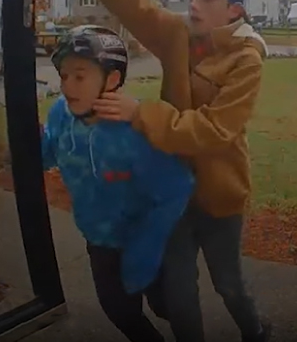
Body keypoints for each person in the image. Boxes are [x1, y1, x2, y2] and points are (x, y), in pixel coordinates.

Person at [16, 0, 271, 342]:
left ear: (234, 10)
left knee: (228, 285)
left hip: (219, 194)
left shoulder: (246, 60)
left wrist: (142, 113)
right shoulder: (176, 34)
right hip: (170, 193)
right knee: (179, 292)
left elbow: (214, 130)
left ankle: (257, 331)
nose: (193, 5)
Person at [41, 25, 195, 342]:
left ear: (112, 80)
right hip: (100, 242)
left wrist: (149, 249)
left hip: (152, 243)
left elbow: (178, 188)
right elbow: (47, 156)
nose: (68, 86)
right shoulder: (61, 114)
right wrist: (31, 144)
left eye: (80, 76)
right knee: (120, 312)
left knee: (172, 307)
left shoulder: (135, 130)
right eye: (64, 75)